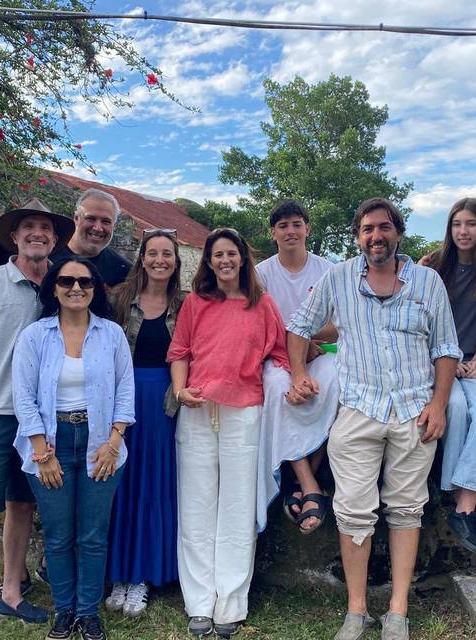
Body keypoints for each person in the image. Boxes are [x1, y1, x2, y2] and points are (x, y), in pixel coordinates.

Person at [287, 198, 461, 640]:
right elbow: (299, 325)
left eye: (383, 227)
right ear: (357, 235)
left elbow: (445, 348)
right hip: (358, 411)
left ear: (397, 231)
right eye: (367, 229)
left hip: (413, 410)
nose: (375, 236)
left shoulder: (427, 281)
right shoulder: (339, 277)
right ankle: (357, 610)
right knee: (353, 513)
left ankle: (397, 611)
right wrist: (300, 371)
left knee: (406, 509)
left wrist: (439, 404)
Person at [0, 199, 74, 640]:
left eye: (45, 227)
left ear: (55, 238)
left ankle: (11, 592)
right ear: (15, 236)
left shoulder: (57, 286)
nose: (37, 233)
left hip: (38, 422)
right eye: (29, 227)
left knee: (22, 506)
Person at [167, 228, 290, 639]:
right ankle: (198, 603)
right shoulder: (195, 303)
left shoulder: (263, 305)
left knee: (237, 509)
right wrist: (182, 390)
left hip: (244, 413)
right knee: (197, 508)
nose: (224, 261)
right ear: (208, 261)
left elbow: (281, 355)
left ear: (242, 259)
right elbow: (180, 352)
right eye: (217, 254)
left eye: (230, 254)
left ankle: (231, 604)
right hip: (198, 410)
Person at [12, 257, 134, 640]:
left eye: (84, 281)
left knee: (94, 535)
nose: (76, 287)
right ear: (54, 287)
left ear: (95, 289)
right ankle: (64, 612)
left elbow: (124, 391)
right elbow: (24, 396)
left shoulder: (112, 334)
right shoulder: (35, 336)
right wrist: (41, 453)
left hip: (101, 444)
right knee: (59, 535)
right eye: (67, 280)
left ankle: (88, 613)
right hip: (52, 442)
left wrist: (114, 442)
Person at [104, 229, 187, 617]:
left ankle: (143, 577)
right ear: (142, 258)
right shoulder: (119, 298)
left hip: (163, 404)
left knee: (154, 484)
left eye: (166, 254)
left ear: (176, 260)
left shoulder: (185, 304)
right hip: (121, 399)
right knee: (122, 484)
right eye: (152, 253)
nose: (159, 260)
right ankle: (120, 572)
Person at [421, 198, 476, 555]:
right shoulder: (435, 267)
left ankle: (463, 505)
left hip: (474, 363)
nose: (463, 231)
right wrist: (450, 362)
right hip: (439, 362)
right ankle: (462, 499)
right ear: (449, 229)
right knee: (454, 408)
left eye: (471, 224)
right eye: (457, 224)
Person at [254, 200, 339, 534]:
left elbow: (338, 323)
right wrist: (294, 351)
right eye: (283, 225)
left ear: (308, 229)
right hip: (278, 357)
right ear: (273, 233)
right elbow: (260, 325)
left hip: (318, 354)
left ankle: (303, 479)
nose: (290, 231)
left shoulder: (328, 270)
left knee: (333, 381)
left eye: (296, 224)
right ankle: (308, 483)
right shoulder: (261, 274)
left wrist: (306, 343)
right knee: (276, 389)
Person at [0, 186, 131, 291]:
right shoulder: (42, 255)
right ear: (76, 219)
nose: (98, 227)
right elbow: (10, 281)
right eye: (91, 218)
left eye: (106, 221)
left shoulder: (123, 270)